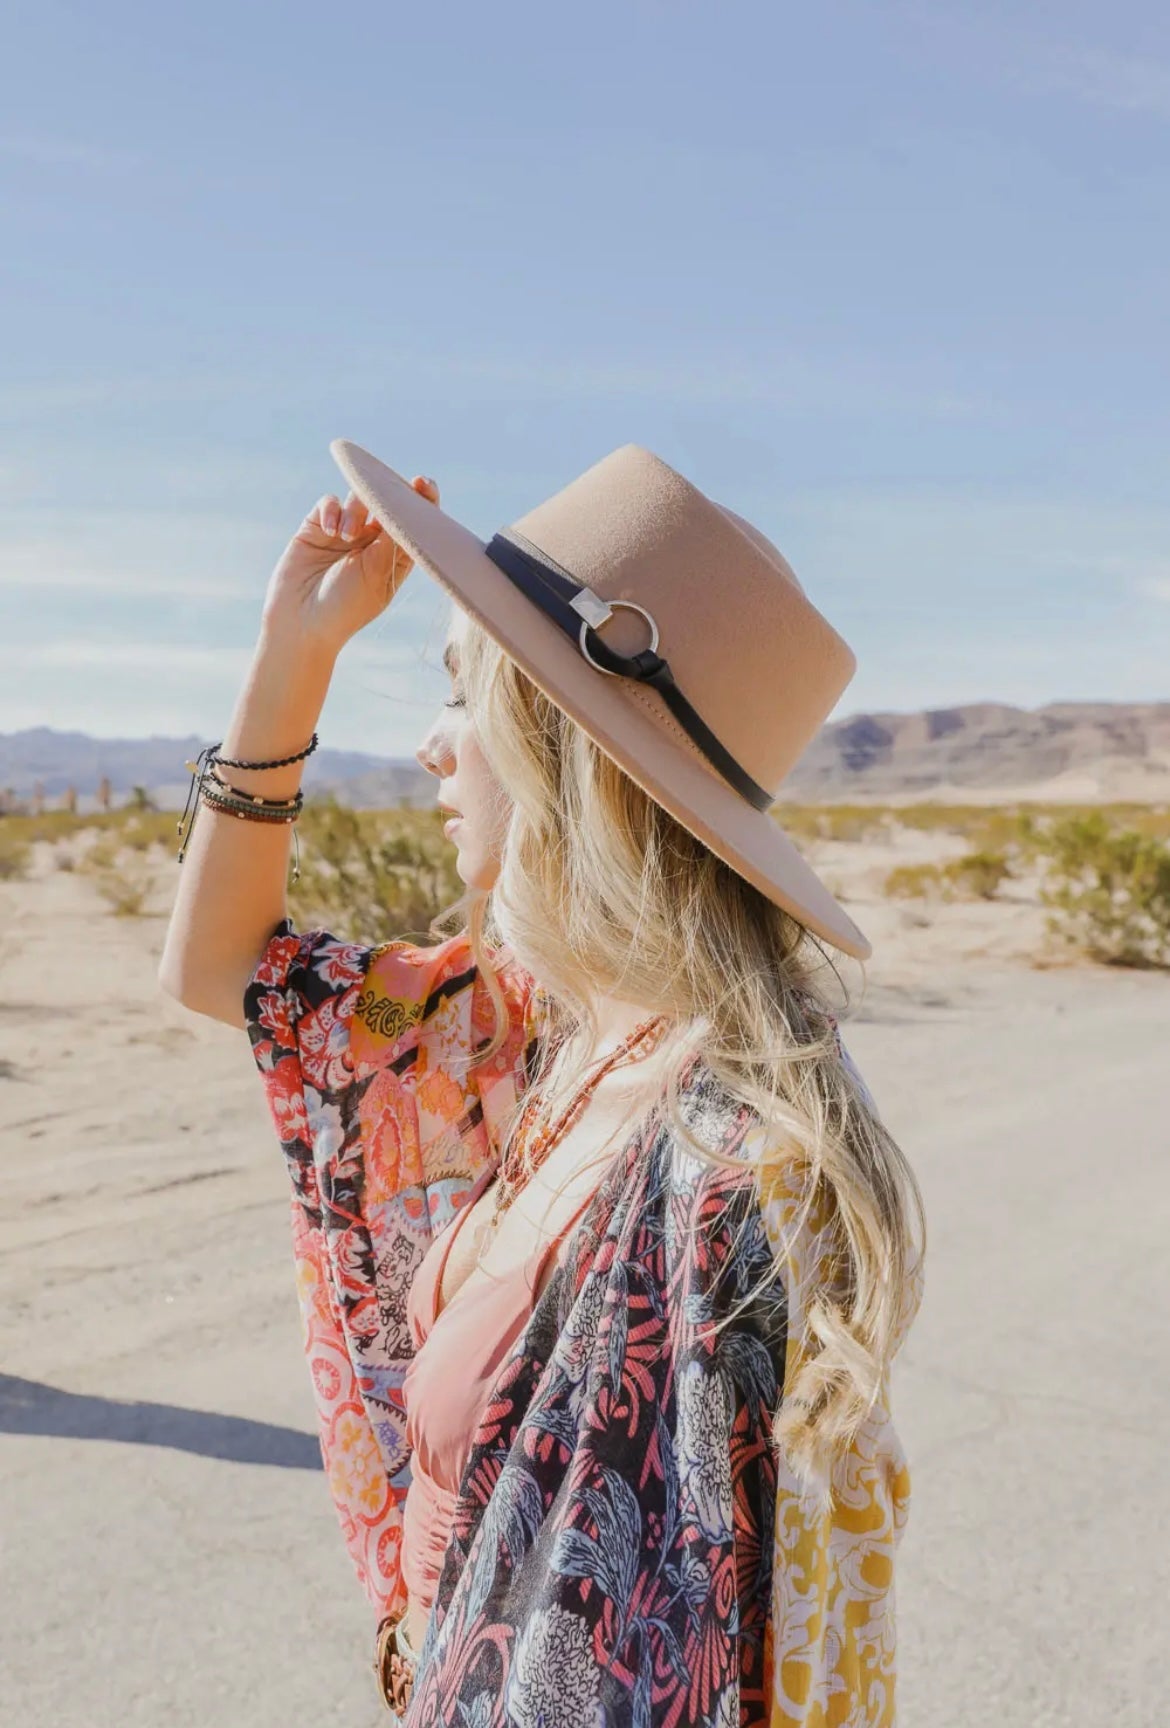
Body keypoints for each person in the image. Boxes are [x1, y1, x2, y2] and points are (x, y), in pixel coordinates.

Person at [159, 439, 926, 1726]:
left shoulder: (736, 1169)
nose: (428, 748)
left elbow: (687, 1658)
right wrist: (294, 655)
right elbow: (230, 968)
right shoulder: (547, 1024)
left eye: (466, 697)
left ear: (567, 753)